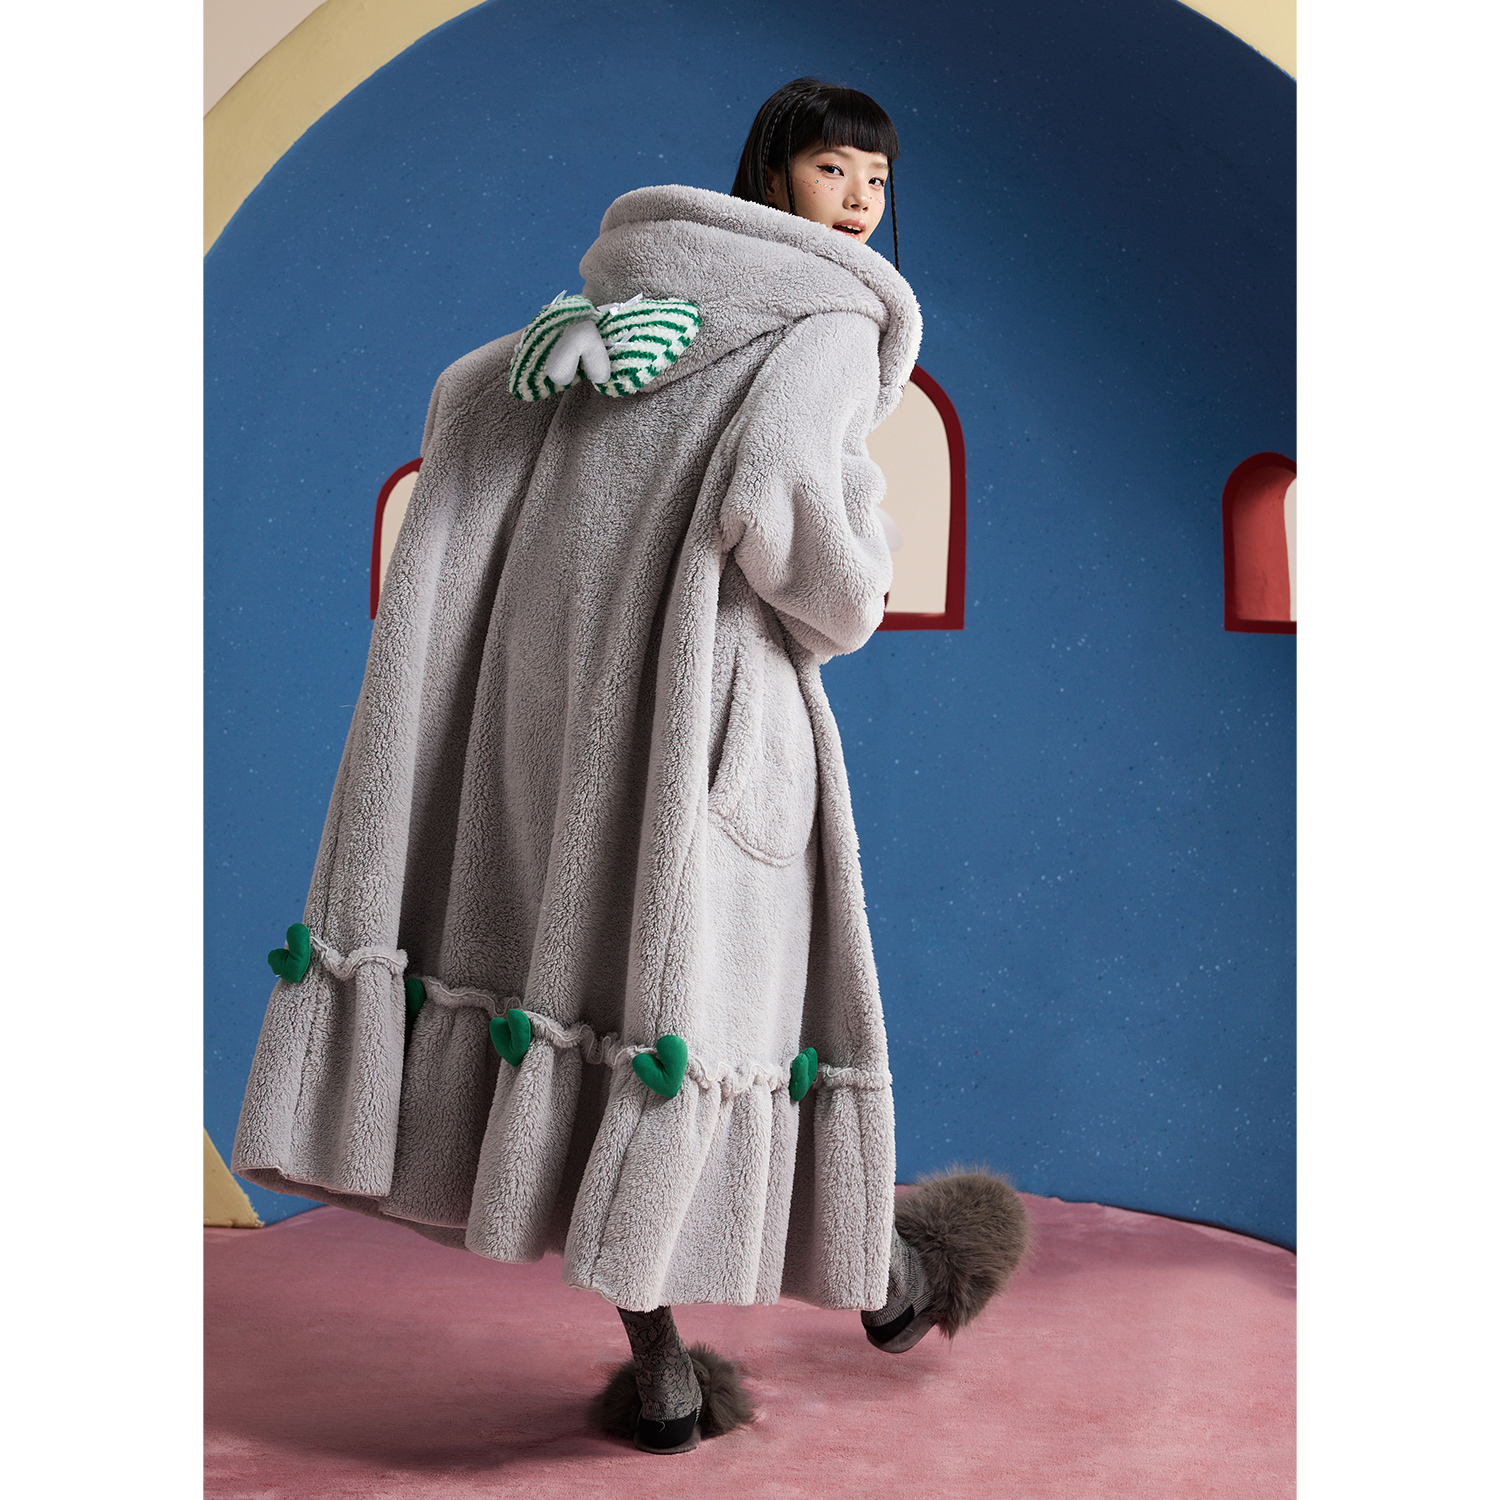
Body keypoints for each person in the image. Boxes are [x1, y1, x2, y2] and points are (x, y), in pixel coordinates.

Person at [233, 77, 1027, 1458]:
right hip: (709, 726)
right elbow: (794, 517)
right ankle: (894, 1280)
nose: (858, 202)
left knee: (599, 1007)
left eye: (876, 179)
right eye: (834, 171)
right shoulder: (828, 316)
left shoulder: (610, 303)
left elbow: (469, 405)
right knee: (710, 1026)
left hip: (553, 729)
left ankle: (665, 1371)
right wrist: (860, 549)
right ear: (776, 176)